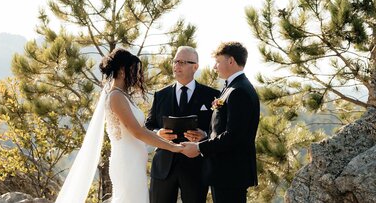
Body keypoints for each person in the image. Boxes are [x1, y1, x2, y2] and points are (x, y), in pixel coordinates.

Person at [55, 48, 183, 203]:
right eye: (134, 70)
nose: (137, 76)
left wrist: (162, 139)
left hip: (134, 161)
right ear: (123, 70)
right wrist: (172, 147)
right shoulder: (116, 96)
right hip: (126, 162)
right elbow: (137, 132)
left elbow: (139, 131)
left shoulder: (123, 96)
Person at [182, 42, 260, 203]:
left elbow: (233, 135)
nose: (214, 67)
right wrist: (205, 137)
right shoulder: (232, 87)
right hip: (224, 172)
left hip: (230, 173)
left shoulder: (239, 91)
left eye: (218, 61)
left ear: (231, 61)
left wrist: (198, 148)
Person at [145, 46, 220, 203]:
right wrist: (158, 133)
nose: (176, 65)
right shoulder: (161, 95)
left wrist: (205, 135)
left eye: (182, 62)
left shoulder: (211, 95)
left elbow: (219, 128)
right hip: (163, 167)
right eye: (175, 61)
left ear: (195, 67)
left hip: (196, 168)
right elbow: (149, 126)